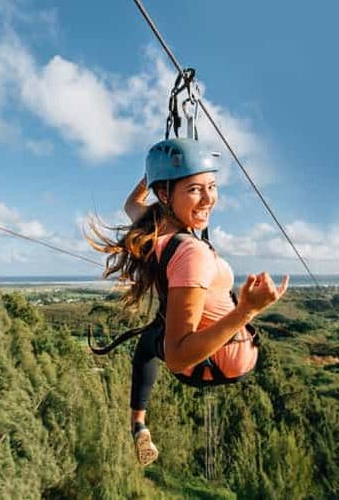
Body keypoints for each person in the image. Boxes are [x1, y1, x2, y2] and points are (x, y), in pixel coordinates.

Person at [88, 138, 289, 466]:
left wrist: (154, 175)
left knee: (146, 346)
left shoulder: (154, 230)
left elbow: (131, 202)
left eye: (212, 186)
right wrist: (247, 310)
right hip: (221, 358)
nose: (209, 198)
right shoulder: (191, 253)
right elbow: (179, 358)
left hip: (213, 352)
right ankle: (138, 424)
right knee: (158, 341)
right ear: (166, 195)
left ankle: (137, 423)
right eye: (195, 189)